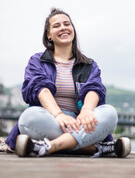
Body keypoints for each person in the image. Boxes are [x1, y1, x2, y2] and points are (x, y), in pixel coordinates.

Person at [1, 8, 131, 157]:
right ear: (49, 35)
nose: (63, 27)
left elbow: (94, 89)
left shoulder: (89, 65)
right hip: (51, 120)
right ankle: (94, 147)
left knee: (110, 113)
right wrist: (59, 115)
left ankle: (48, 147)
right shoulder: (37, 61)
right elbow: (40, 88)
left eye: (67, 24)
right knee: (28, 118)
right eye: (56, 26)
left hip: (82, 121)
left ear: (72, 30)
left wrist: (87, 111)